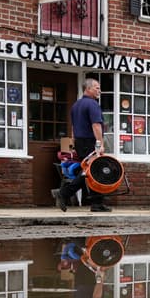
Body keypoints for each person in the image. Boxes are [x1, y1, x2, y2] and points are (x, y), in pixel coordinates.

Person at [56, 78, 111, 213]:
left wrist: (74, 142)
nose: (99, 91)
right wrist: (99, 144)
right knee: (89, 171)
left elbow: (73, 127)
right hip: (90, 142)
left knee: (94, 171)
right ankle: (64, 193)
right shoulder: (92, 104)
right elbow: (96, 125)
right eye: (97, 88)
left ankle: (97, 203)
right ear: (88, 89)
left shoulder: (76, 105)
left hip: (80, 142)